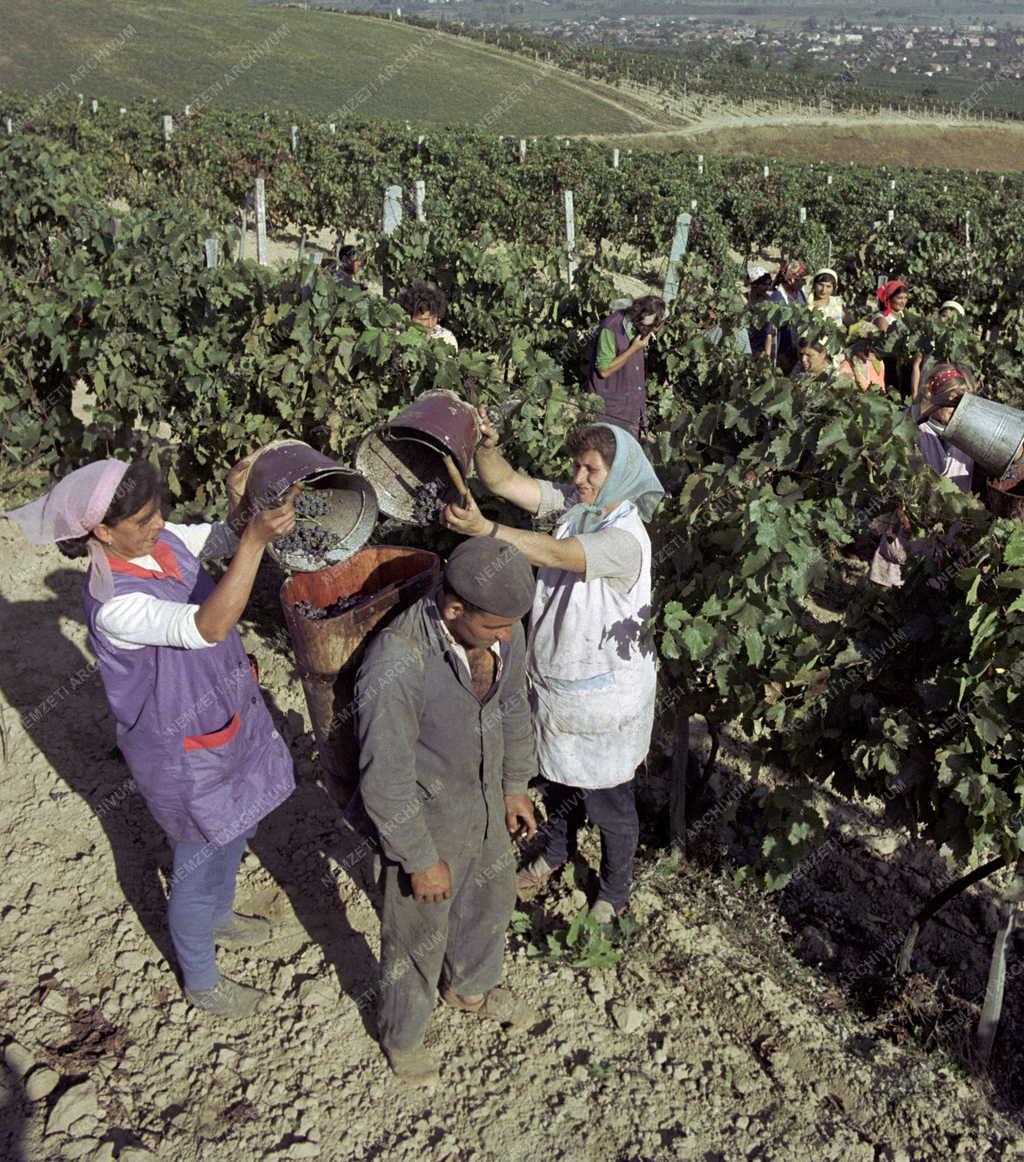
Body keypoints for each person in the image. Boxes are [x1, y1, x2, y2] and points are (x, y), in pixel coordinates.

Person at [3, 457, 298, 1017]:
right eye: (142, 520)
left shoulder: (160, 545)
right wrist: (255, 546)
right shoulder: (116, 603)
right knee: (194, 857)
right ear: (101, 532)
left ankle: (220, 915)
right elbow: (208, 627)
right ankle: (202, 979)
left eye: (158, 511)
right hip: (181, 751)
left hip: (223, 719)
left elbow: (219, 536)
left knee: (235, 822)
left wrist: (242, 512)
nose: (158, 524)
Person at [444, 419, 664, 927]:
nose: (579, 477)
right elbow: (504, 483)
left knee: (610, 802)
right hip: (560, 686)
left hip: (604, 698)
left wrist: (487, 532)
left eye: (592, 470)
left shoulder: (625, 538)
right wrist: (484, 447)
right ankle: (555, 852)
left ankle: (614, 890)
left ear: (621, 474)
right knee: (560, 782)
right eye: (578, 466)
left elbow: (559, 553)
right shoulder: (578, 507)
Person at [354, 538, 540, 1086]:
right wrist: (417, 857)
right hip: (425, 817)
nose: (506, 636)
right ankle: (403, 1036)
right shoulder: (398, 659)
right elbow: (384, 778)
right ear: (453, 608)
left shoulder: (505, 628)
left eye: (512, 625)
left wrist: (513, 784)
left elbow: (513, 708)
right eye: (494, 627)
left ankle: (469, 986)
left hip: (483, 799)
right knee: (418, 932)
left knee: (491, 896)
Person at [869, 363, 975, 588]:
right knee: (891, 589)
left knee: (931, 592)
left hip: (948, 531)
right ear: (934, 398)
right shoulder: (914, 426)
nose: (957, 409)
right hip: (910, 526)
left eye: (964, 403)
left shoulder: (972, 434)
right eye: (951, 402)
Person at [584, 295, 668, 439]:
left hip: (630, 408)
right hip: (608, 410)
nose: (656, 331)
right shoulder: (611, 329)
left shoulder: (637, 327)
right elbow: (604, 371)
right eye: (656, 326)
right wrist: (633, 349)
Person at [765, 260, 809, 374]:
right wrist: (767, 362)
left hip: (798, 348)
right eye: (802, 279)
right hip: (783, 353)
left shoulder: (799, 292)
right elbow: (770, 333)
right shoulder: (777, 299)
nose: (804, 282)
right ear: (791, 279)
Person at [397, 282, 458, 350]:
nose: (430, 324)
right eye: (424, 320)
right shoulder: (397, 337)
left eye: (434, 318)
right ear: (408, 317)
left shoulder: (446, 338)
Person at [838, 321, 887, 393]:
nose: (868, 347)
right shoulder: (845, 369)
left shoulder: (878, 365)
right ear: (853, 344)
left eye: (873, 342)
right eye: (865, 342)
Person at [746, 265, 774, 358]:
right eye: (764, 284)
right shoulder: (744, 298)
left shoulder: (767, 303)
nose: (767, 287)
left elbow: (768, 335)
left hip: (758, 349)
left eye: (769, 284)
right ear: (754, 284)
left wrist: (767, 357)